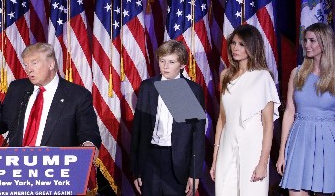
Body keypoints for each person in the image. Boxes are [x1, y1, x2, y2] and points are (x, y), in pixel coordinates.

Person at [0, 42, 101, 149]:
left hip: (55, 168)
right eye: (26, 65)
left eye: (34, 63)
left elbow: (88, 131)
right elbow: (1, 127)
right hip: (18, 167)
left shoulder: (77, 95)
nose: (28, 69)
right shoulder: (18, 88)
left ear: (51, 64)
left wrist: (88, 144)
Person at [210, 24, 280, 195]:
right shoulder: (226, 75)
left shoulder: (263, 77)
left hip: (252, 145)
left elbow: (268, 124)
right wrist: (215, 158)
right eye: (233, 43)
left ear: (252, 46)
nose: (235, 48)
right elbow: (222, 119)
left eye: (241, 44)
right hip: (227, 144)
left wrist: (263, 163)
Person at [130, 40, 205, 196]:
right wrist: (136, 169)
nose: (165, 66)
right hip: (150, 159)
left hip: (176, 161)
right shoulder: (148, 86)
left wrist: (194, 173)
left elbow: (196, 136)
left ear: (182, 65)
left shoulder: (189, 90)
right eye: (162, 61)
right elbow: (138, 130)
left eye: (171, 62)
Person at [276, 22, 335, 195]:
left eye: (312, 41)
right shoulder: (297, 73)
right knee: (295, 191)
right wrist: (282, 153)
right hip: (299, 139)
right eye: (305, 40)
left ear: (325, 43)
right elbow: (289, 112)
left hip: (328, 141)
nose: (306, 45)